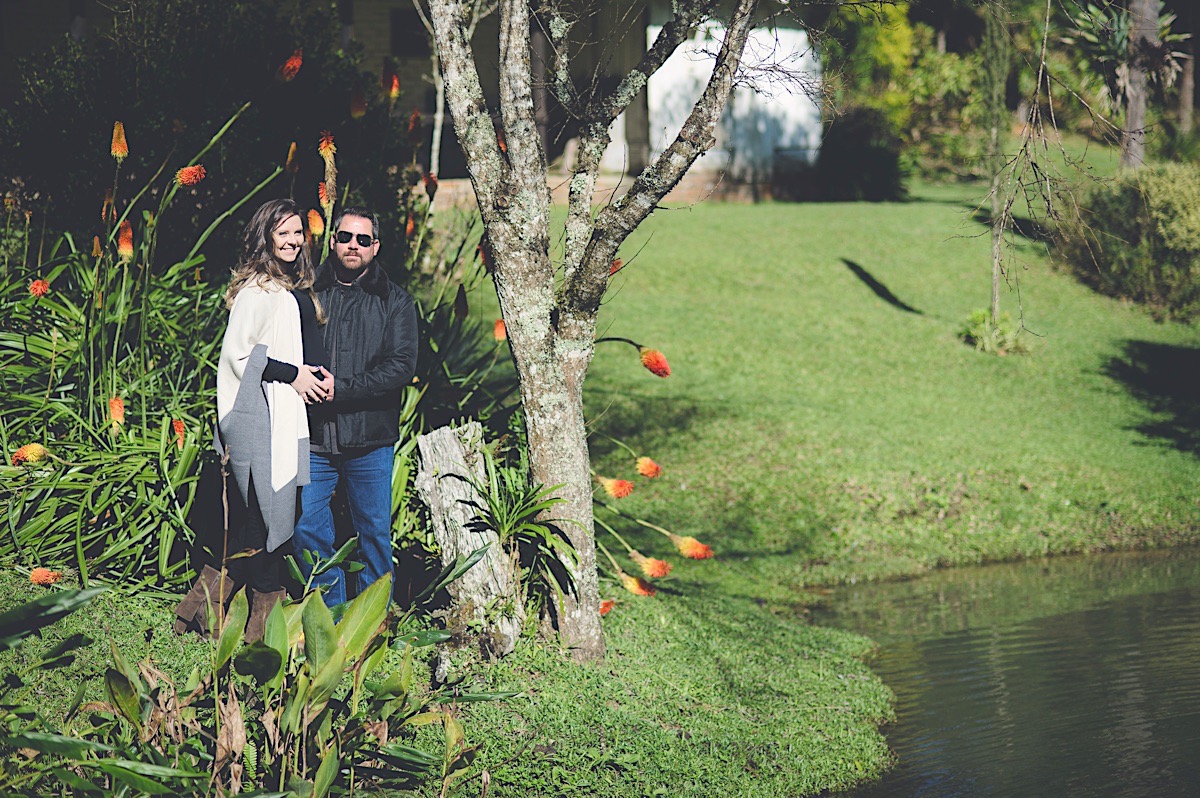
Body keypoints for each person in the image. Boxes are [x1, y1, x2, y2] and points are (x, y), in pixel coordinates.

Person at [173, 198, 334, 640]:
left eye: (298, 232)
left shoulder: (294, 288)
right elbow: (239, 356)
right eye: (283, 232)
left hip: (288, 417)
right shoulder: (256, 291)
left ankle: (219, 612)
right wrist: (295, 376)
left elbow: (301, 345)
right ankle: (251, 618)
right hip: (259, 418)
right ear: (266, 236)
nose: (293, 240)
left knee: (274, 516)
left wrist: (318, 374)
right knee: (262, 519)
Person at [293, 206, 418, 606]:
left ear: (375, 247)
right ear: (332, 241)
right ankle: (329, 621)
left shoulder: (396, 302)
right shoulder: (307, 293)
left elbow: (401, 366)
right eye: (345, 237)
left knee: (374, 534)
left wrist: (340, 390)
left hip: (370, 439)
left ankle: (371, 625)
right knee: (307, 528)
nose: (353, 246)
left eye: (363, 240)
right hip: (314, 437)